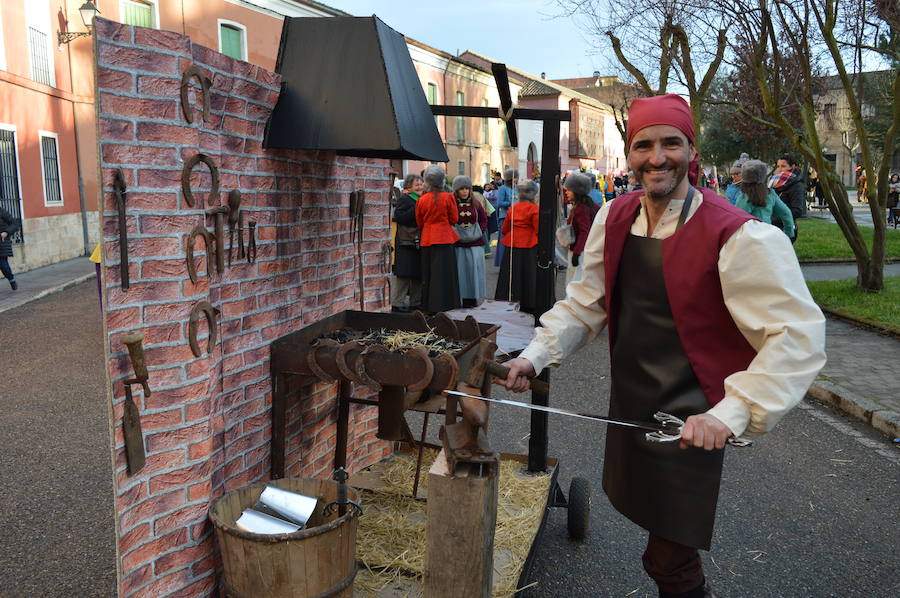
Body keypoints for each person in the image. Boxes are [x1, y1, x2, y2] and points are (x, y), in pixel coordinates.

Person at [498, 94, 826, 598]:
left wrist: (731, 413)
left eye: (671, 143)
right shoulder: (615, 216)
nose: (657, 157)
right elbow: (586, 306)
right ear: (629, 155)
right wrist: (532, 356)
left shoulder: (740, 236)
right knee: (662, 547)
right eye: (643, 145)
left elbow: (796, 337)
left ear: (691, 150)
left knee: (668, 559)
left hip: (693, 419)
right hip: (632, 407)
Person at [415, 166, 461, 313]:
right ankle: (448, 303)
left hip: (428, 238)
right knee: (446, 273)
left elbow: (419, 222)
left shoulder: (422, 200)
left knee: (429, 273)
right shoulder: (449, 197)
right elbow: (454, 219)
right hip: (445, 238)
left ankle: (429, 305)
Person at [495, 179, 540, 314]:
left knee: (511, 275)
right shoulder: (535, 209)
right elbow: (538, 230)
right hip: (530, 244)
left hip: (513, 243)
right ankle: (529, 302)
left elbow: (504, 229)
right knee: (528, 275)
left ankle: (509, 299)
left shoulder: (512, 208)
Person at [734, 160, 795, 239]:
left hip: (749, 238)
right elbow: (786, 213)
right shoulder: (770, 193)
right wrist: (789, 234)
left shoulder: (745, 196)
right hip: (767, 236)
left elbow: (738, 219)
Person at [452, 175, 488, 307]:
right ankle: (461, 298)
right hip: (459, 245)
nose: (465, 191)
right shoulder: (452, 203)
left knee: (474, 272)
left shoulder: (476, 203)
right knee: (461, 273)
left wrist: (480, 231)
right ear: (456, 190)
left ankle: (473, 299)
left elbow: (484, 219)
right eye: (461, 189)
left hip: (475, 244)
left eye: (467, 188)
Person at [391, 174, 424, 312]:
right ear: (409, 187)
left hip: (417, 241)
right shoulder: (405, 199)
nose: (420, 187)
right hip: (406, 242)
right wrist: (416, 208)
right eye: (417, 185)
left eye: (421, 184)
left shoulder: (422, 199)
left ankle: (415, 302)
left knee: (417, 274)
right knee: (403, 274)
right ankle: (397, 303)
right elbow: (399, 217)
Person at [562, 172, 599, 284]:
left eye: (569, 189)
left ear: (577, 191)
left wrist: (577, 253)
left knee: (574, 281)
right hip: (584, 250)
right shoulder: (586, 204)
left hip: (580, 251)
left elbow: (584, 232)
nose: (566, 192)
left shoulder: (581, 208)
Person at [493, 168, 518, 268]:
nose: (516, 179)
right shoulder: (503, 188)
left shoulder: (516, 189)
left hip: (515, 217)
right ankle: (503, 262)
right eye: (515, 177)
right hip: (505, 218)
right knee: (504, 240)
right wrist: (511, 203)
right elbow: (499, 203)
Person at [0, 207, 19, 290]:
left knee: (3, 265)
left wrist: (6, 232)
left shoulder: (2, 211)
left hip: (1, 243)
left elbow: (14, 223)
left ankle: (11, 280)